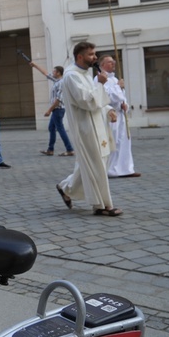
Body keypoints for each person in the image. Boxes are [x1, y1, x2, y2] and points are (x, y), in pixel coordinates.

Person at [56, 41, 122, 217]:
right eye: (91, 54)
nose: (95, 57)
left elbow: (97, 101)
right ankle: (102, 206)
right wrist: (100, 84)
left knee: (92, 164)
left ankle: (65, 188)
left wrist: (109, 111)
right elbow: (86, 101)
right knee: (96, 165)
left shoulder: (85, 73)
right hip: (85, 128)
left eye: (95, 53)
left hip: (97, 124)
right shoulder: (71, 76)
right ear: (80, 56)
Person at [96, 55, 139, 178]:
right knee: (113, 142)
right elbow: (107, 97)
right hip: (110, 115)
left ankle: (126, 169)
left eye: (113, 62)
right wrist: (118, 87)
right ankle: (111, 169)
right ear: (102, 65)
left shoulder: (115, 79)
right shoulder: (99, 79)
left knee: (124, 142)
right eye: (109, 62)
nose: (113, 63)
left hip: (121, 115)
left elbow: (122, 98)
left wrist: (125, 105)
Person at [30, 61, 75, 157]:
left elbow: (58, 99)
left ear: (58, 73)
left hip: (58, 109)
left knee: (60, 128)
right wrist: (35, 65)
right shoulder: (56, 81)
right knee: (52, 127)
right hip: (56, 110)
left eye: (54, 71)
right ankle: (50, 149)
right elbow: (45, 73)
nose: (52, 73)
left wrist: (49, 110)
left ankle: (70, 149)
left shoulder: (61, 83)